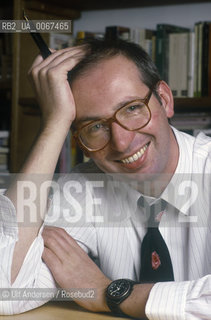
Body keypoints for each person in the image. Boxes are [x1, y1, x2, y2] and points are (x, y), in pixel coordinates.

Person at [0, 39, 210, 319]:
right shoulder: (84, 187)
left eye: (132, 108)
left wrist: (108, 292)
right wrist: (54, 123)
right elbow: (7, 291)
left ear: (165, 99)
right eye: (95, 126)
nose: (122, 143)